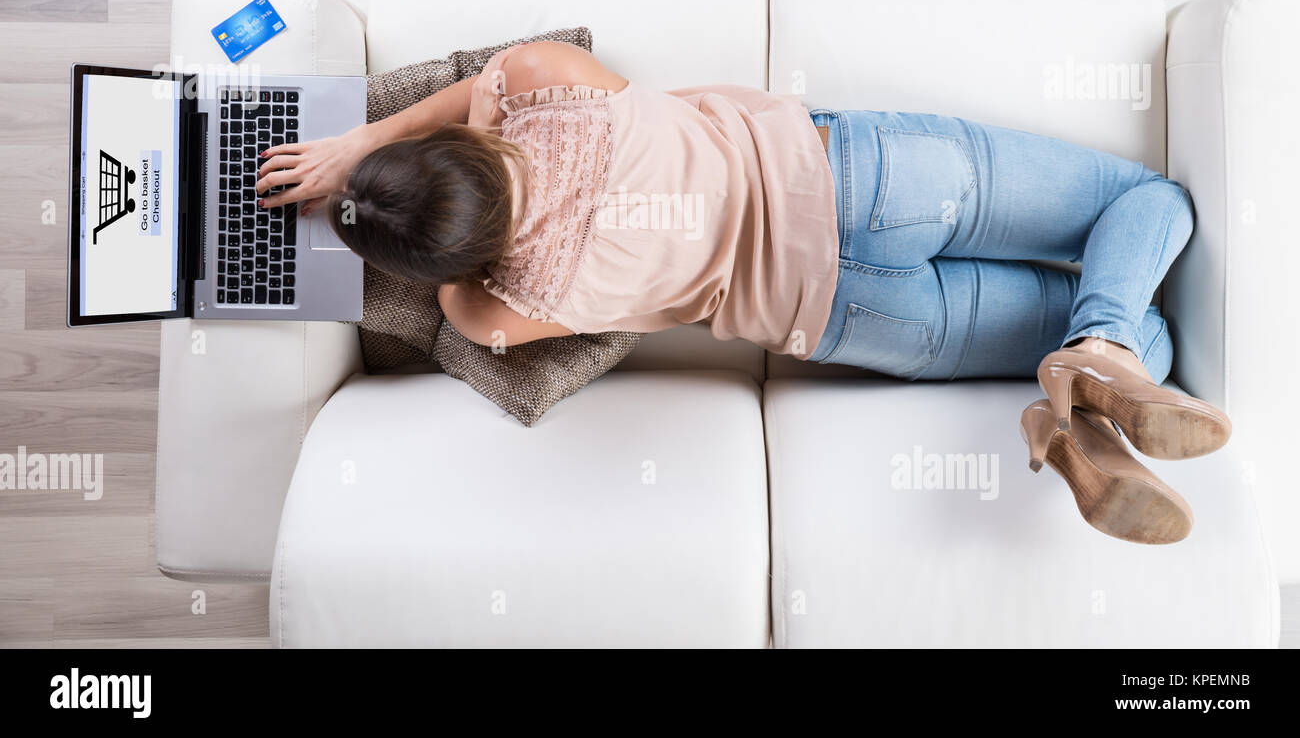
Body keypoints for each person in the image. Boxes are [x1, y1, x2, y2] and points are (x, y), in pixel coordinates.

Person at [254, 41, 1231, 544]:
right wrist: (358, 147)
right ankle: (1096, 361)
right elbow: (470, 94)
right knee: (1148, 205)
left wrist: (422, 253)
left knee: (1162, 336)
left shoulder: (498, 304)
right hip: (872, 177)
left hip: (841, 315)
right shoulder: (542, 80)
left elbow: (456, 320)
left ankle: (1072, 421)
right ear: (439, 148)